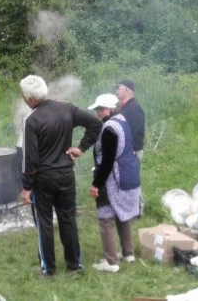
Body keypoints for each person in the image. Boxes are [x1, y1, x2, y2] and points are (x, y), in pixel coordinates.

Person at [19, 75, 102, 277]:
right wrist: (81, 148)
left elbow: (30, 160)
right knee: (68, 220)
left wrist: (27, 186)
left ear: (30, 99)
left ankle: (49, 269)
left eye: (23, 95)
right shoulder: (67, 108)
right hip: (66, 175)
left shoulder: (31, 120)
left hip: (44, 179)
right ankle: (74, 266)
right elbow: (96, 125)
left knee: (44, 222)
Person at [87, 93, 141, 273]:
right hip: (129, 174)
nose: (97, 114)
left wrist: (96, 184)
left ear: (107, 109)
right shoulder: (122, 120)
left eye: (99, 110)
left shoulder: (109, 128)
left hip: (114, 179)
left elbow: (107, 162)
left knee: (106, 217)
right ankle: (129, 253)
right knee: (123, 214)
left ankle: (111, 262)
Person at [116, 80, 145, 163]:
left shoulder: (134, 108)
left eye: (118, 89)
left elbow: (137, 132)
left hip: (131, 153)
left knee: (129, 176)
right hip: (124, 153)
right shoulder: (123, 107)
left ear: (126, 90)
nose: (116, 91)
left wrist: (132, 152)